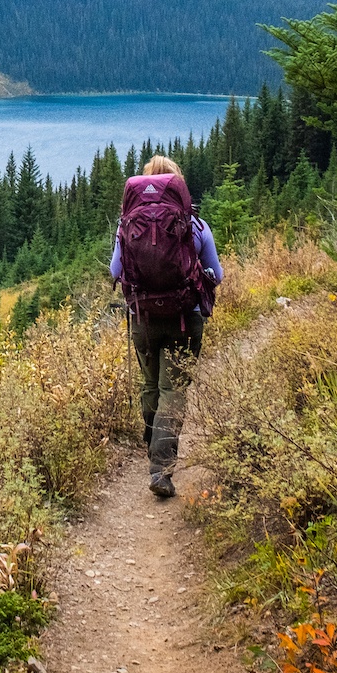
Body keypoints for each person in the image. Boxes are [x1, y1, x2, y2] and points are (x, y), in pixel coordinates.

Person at [110, 154, 221, 498]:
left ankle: (153, 442)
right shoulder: (195, 226)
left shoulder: (128, 225)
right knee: (174, 390)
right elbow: (216, 274)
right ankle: (161, 468)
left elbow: (115, 272)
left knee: (151, 384)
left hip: (142, 318)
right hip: (184, 319)